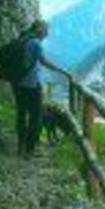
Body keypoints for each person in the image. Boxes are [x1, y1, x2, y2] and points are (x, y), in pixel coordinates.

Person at [11, 20, 72, 158]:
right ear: (38, 28)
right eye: (45, 30)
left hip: (17, 83)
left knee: (21, 115)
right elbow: (44, 61)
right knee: (36, 117)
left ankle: (20, 147)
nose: (47, 33)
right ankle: (30, 149)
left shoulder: (22, 39)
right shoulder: (35, 43)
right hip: (32, 85)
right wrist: (64, 71)